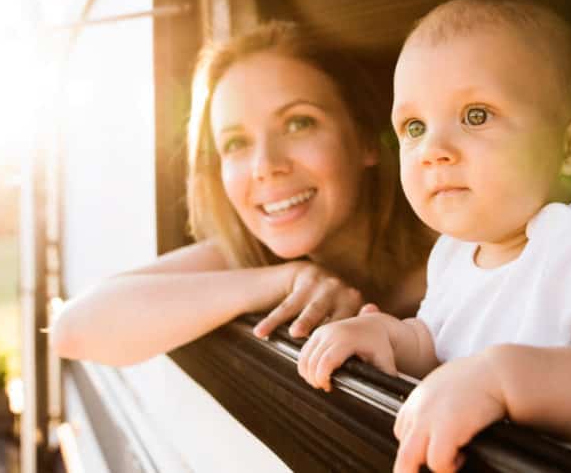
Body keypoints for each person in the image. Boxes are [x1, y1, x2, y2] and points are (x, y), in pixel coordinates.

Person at [297, 0, 571, 473]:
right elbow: (438, 346)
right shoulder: (454, 252)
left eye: (475, 115)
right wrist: (388, 337)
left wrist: (504, 381)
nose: (433, 150)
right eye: (414, 126)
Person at [51, 21, 433, 366]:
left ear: (366, 139)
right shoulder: (248, 254)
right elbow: (73, 329)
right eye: (236, 143)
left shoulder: (459, 255)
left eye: (298, 123)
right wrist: (284, 279)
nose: (264, 165)